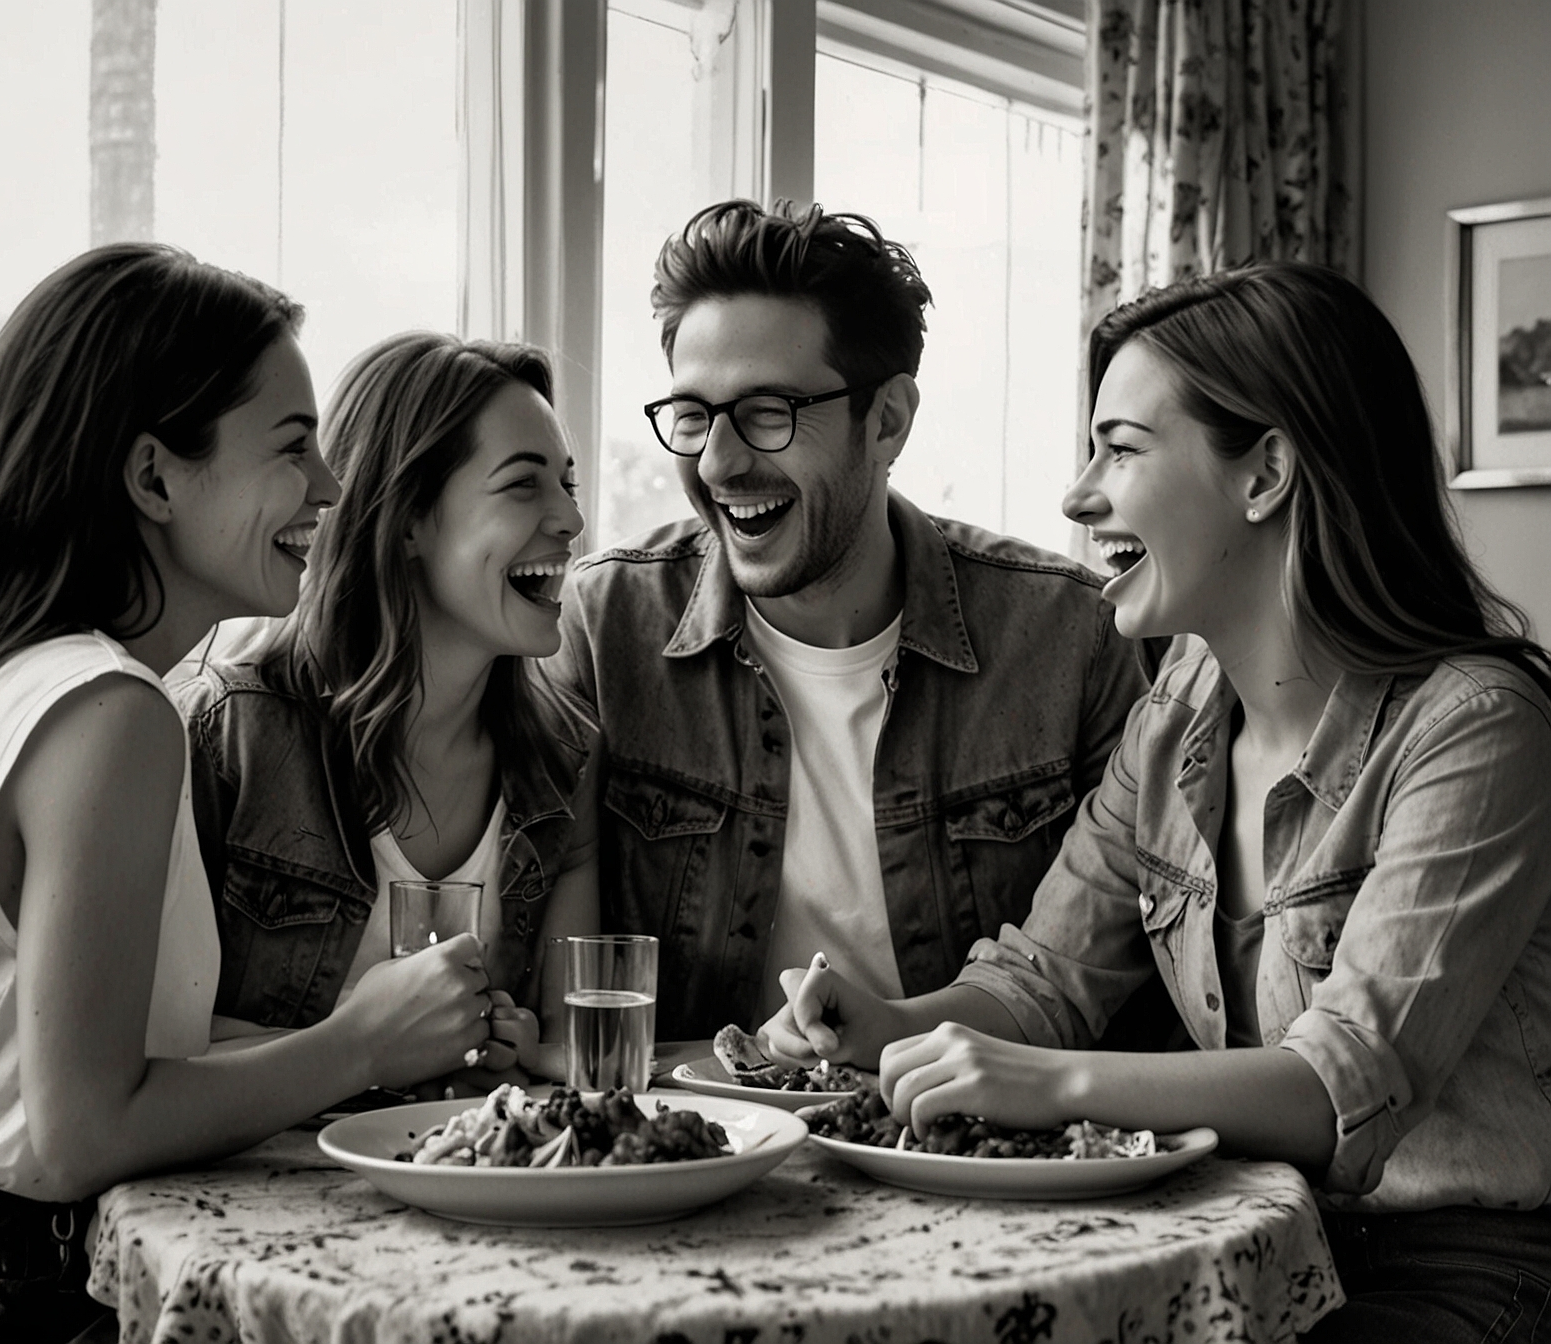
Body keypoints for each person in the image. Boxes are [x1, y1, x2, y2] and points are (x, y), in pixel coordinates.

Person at [764, 261, 1551, 1340]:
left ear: (1265, 471)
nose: (1078, 495)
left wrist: (1049, 1085)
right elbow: (1045, 980)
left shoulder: (1475, 726)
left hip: (1460, 1264)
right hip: (1240, 1238)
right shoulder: (1178, 707)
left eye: (1121, 449)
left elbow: (1339, 1086)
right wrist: (892, 1027)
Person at [0, 247, 498, 1342]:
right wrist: (359, 1045)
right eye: (293, 449)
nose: (331, 489)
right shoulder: (112, 714)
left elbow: (101, 1068)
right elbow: (83, 1129)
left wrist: (394, 1040)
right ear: (153, 478)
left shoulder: (51, 682)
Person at [547, 199, 1149, 1042]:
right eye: (693, 415)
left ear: (889, 421)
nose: (718, 462)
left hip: (974, 1142)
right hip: (698, 1140)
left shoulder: (1069, 634)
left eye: (768, 413)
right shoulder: (605, 625)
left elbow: (1120, 973)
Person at [174, 332, 596, 1084]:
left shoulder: (565, 760)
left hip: (462, 1185)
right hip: (239, 1195)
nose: (570, 521)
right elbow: (148, 1042)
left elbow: (573, 1047)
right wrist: (368, 1046)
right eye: (524, 485)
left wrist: (520, 1043)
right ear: (406, 520)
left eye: (568, 485)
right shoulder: (225, 734)